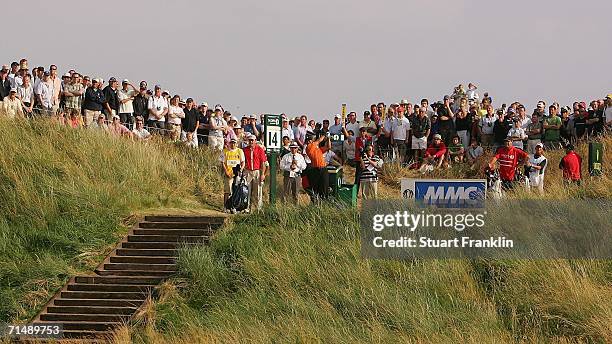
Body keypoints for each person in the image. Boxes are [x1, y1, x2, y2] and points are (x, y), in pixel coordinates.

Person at [242, 134, 267, 212]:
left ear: (255, 141)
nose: (251, 142)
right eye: (250, 140)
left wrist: (263, 174)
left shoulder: (260, 149)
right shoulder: (244, 150)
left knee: (258, 191)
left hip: (257, 171)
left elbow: (263, 162)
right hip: (248, 171)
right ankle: (247, 207)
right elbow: (242, 161)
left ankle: (257, 208)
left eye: (252, 140)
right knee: (246, 190)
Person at [220, 138, 246, 211]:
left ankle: (233, 206)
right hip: (229, 174)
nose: (233, 144)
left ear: (236, 143)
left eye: (234, 143)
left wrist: (240, 170)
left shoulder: (239, 151)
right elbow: (222, 162)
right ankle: (225, 206)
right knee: (227, 190)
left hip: (237, 175)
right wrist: (226, 172)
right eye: (231, 143)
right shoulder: (225, 151)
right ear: (229, 143)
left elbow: (243, 162)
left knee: (236, 190)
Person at [306, 134, 329, 202]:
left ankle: (324, 201)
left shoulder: (317, 149)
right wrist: (324, 135)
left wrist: (329, 139)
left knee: (324, 186)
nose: (312, 141)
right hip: (316, 169)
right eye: (312, 140)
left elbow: (328, 147)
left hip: (323, 168)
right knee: (317, 187)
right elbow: (319, 140)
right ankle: (317, 202)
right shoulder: (309, 147)